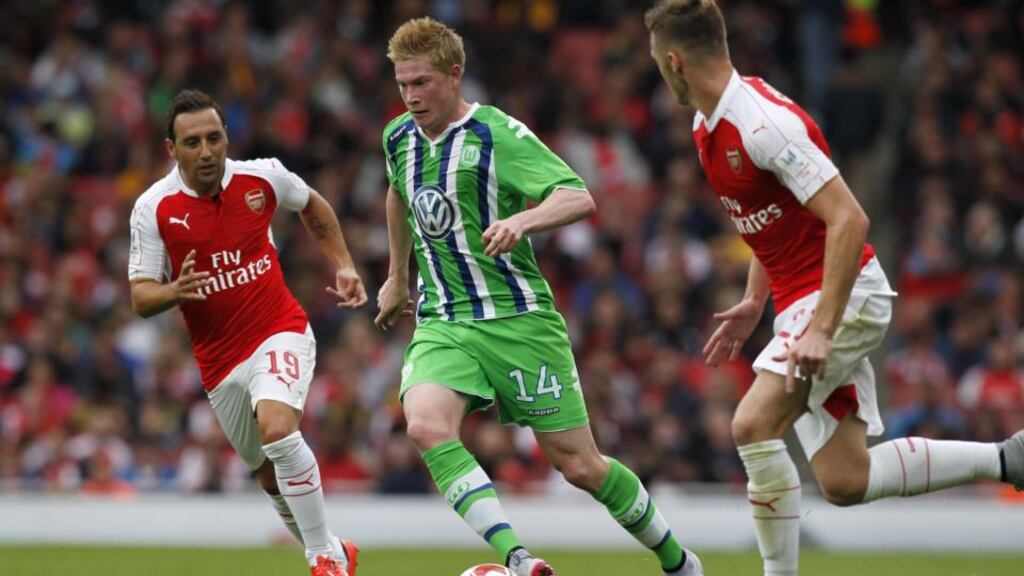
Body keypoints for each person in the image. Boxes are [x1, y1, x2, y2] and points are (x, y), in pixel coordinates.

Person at [644, 1, 1024, 575]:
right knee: (846, 480)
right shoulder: (707, 123)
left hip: (840, 294)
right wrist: (754, 300)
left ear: (673, 61)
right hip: (799, 300)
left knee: (751, 424)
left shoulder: (761, 125)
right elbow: (771, 217)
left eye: (656, 63)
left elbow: (849, 218)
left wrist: (822, 327)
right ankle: (1008, 458)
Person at [374, 17, 703, 576]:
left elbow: (577, 196)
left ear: (454, 76)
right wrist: (397, 276)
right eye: (402, 84)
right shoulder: (398, 138)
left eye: (422, 83)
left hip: (519, 320)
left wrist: (523, 220)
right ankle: (518, 559)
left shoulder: (496, 133)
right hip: (445, 320)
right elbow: (398, 194)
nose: (410, 96)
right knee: (426, 425)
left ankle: (679, 562)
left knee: (580, 465)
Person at [128, 89, 367, 576]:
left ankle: (322, 556)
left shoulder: (262, 177)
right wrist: (176, 290)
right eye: (192, 142)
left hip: (279, 328)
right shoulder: (154, 208)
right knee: (267, 476)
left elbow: (312, 205)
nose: (207, 151)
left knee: (279, 429)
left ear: (226, 137)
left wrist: (343, 264)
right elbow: (140, 298)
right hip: (218, 361)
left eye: (214, 138)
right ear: (172, 149)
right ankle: (335, 553)